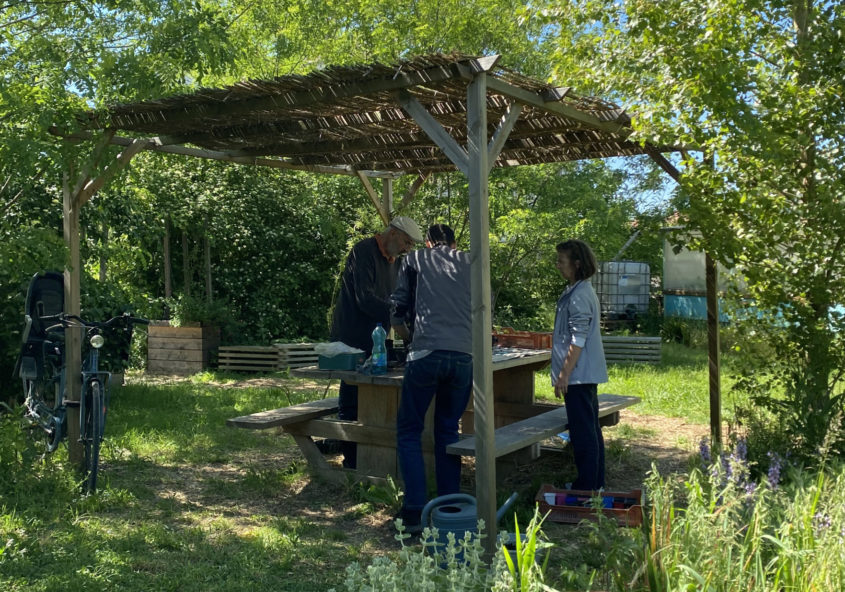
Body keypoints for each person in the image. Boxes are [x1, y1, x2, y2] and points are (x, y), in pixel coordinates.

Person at [390, 224, 472, 533]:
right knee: (448, 430)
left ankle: (414, 512)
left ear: (427, 242)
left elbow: (398, 309)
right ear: (454, 243)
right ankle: (449, 506)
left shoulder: (414, 260)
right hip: (464, 355)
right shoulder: (471, 261)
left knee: (409, 431)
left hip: (425, 352)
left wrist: (408, 337)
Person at [328, 216, 424, 468]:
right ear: (392, 233)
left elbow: (399, 297)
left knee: (376, 396)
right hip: (351, 336)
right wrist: (397, 315)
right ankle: (351, 459)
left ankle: (374, 455)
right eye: (406, 242)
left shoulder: (397, 261)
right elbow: (365, 298)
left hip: (377, 337)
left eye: (410, 245)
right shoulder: (363, 251)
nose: (407, 249)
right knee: (352, 396)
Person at [551, 239, 608, 491]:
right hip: (581, 374)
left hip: (579, 375)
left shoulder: (580, 295)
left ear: (576, 264)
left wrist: (564, 374)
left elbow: (579, 338)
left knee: (583, 433)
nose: (557, 265)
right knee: (589, 429)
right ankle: (594, 484)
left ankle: (586, 488)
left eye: (561, 261)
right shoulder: (576, 290)